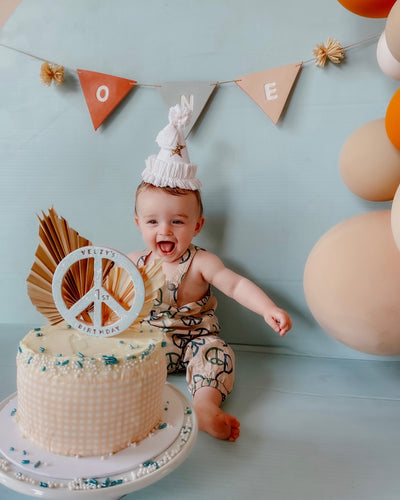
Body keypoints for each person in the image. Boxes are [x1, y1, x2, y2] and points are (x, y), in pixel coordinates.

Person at [129, 105, 292, 442]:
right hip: (151, 342)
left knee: (217, 356)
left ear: (197, 225)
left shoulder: (202, 262)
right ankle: (131, 405)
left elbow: (235, 284)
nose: (166, 230)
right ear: (139, 225)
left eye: (177, 221)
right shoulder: (135, 262)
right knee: (125, 355)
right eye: (153, 221)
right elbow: (104, 282)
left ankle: (205, 407)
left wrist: (267, 309)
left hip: (196, 340)